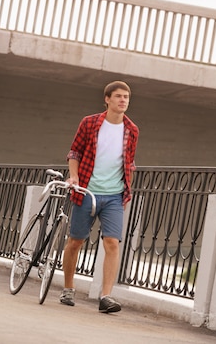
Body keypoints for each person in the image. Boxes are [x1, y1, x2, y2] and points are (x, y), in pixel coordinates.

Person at [59, 81, 139, 313]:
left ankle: (106, 297)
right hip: (86, 191)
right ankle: (68, 288)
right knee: (76, 241)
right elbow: (75, 152)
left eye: (126, 97)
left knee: (112, 243)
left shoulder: (132, 130)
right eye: (118, 96)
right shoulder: (90, 123)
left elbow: (129, 162)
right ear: (107, 99)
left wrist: (127, 185)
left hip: (114, 195)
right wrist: (74, 177)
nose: (123, 100)